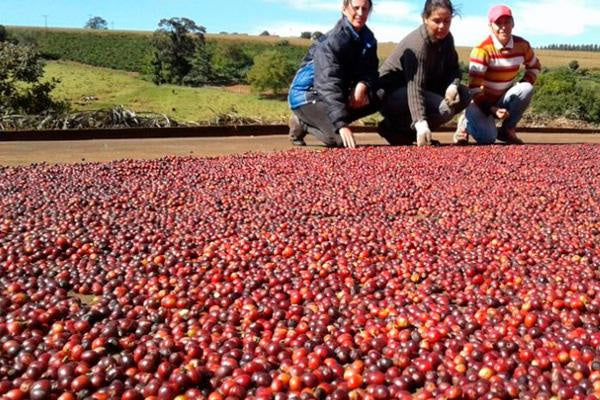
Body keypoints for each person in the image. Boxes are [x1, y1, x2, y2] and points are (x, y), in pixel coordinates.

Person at [287, 0, 379, 148]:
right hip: (307, 95)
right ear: (344, 9)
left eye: (365, 9)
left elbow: (371, 71)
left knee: (379, 94)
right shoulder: (333, 42)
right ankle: (302, 122)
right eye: (356, 8)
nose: (360, 13)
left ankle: (328, 120)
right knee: (338, 140)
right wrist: (341, 124)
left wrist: (362, 85)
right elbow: (327, 84)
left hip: (337, 92)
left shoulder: (368, 40)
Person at [378, 0, 469, 146]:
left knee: (464, 95)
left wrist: (453, 85)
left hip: (423, 88)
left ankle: (407, 134)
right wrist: (421, 123)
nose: (442, 26)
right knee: (444, 110)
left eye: (447, 21)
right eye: (436, 21)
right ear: (425, 18)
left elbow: (453, 68)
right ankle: (393, 127)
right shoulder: (418, 45)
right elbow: (414, 87)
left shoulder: (447, 39)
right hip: (393, 94)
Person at [454, 4, 541, 145]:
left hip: (503, 97)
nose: (503, 27)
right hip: (479, 101)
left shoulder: (522, 45)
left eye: (507, 22)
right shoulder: (482, 49)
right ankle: (465, 124)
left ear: (513, 24)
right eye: (498, 23)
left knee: (526, 89)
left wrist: (522, 82)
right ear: (490, 26)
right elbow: (474, 88)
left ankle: (507, 130)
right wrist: (492, 110)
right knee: (488, 139)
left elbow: (535, 67)